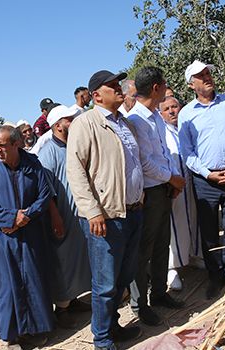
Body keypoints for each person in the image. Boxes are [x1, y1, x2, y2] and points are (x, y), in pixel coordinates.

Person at [66, 70, 144, 349]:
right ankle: (101, 340)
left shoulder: (124, 123)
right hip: (106, 217)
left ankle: (112, 327)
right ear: (97, 95)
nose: (119, 88)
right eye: (113, 85)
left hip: (132, 212)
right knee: (105, 284)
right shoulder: (85, 123)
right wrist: (92, 211)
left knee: (123, 278)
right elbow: (75, 170)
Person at [178, 60, 225, 299]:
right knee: (209, 231)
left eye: (208, 73)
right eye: (201, 76)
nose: (207, 77)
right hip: (206, 181)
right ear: (191, 84)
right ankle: (215, 275)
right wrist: (207, 173)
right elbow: (187, 151)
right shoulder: (186, 114)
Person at [0, 126, 54, 348]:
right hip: (2, 237)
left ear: (15, 144)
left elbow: (44, 193)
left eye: (2, 145)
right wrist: (10, 219)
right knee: (7, 286)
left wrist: (25, 217)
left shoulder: (32, 163)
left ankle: (34, 330)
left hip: (30, 234)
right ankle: (11, 335)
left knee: (32, 280)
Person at [127, 66, 186, 326]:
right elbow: (145, 161)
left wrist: (173, 178)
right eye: (164, 84)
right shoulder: (136, 121)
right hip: (149, 192)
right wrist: (171, 177)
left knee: (162, 243)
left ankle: (159, 293)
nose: (166, 88)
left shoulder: (155, 117)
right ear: (155, 88)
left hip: (162, 188)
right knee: (144, 250)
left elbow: (164, 152)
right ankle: (139, 304)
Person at [37, 104, 91, 329]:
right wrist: (55, 217)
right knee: (62, 261)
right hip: (62, 215)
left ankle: (73, 299)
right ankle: (62, 308)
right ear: (58, 125)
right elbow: (45, 190)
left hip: (78, 214)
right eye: (70, 119)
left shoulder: (72, 145)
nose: (74, 122)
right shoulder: (48, 151)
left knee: (77, 259)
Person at [159, 97, 200, 291]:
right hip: (174, 188)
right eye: (167, 109)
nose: (172, 111)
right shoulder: (162, 132)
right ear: (161, 114)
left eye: (175, 106)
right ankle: (172, 268)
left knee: (193, 219)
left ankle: (193, 256)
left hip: (192, 184)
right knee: (174, 228)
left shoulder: (186, 127)